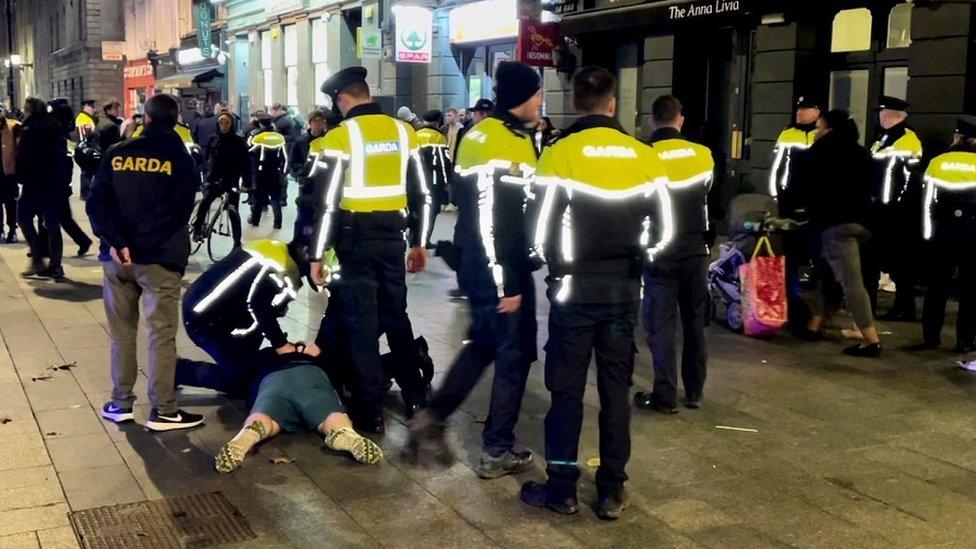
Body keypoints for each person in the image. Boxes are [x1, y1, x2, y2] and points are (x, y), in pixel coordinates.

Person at [518, 66, 674, 521]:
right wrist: (638, 261)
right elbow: (663, 231)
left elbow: (538, 228)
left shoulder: (560, 154)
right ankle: (610, 490)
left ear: (575, 101)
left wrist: (556, 266)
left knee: (565, 391)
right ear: (612, 103)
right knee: (615, 391)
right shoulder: (644, 156)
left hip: (572, 291)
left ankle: (563, 488)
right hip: (623, 293)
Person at [405, 61, 541, 478]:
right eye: (535, 94)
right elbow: (491, 220)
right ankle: (496, 449)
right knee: (513, 354)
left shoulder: (482, 135)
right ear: (520, 97)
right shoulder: (500, 141)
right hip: (499, 266)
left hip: (481, 262)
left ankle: (434, 416)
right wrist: (509, 282)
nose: (539, 101)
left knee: (484, 343)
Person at [305, 66, 431, 433]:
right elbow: (423, 193)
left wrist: (317, 254)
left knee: (362, 326)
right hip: (394, 239)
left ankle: (369, 411)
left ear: (342, 100)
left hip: (354, 242)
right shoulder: (403, 131)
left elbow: (326, 204)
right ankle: (415, 397)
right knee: (396, 318)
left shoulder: (340, 137)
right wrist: (420, 242)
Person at [87, 93, 204, 431]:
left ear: (146, 119)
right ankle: (164, 410)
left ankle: (120, 402)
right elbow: (178, 212)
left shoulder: (117, 153)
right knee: (161, 336)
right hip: (160, 259)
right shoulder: (180, 158)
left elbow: (98, 203)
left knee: (121, 333)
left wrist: (118, 242)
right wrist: (141, 245)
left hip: (116, 259)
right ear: (175, 120)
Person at [633, 95, 714, 414]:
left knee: (661, 324)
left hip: (659, 250)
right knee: (695, 322)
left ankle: (665, 394)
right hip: (696, 249)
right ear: (680, 119)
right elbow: (706, 193)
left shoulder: (643, 155)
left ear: (653, 120)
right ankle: (694, 391)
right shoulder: (703, 155)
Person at [793, 109, 881, 357]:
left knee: (841, 280)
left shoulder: (816, 155)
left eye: (819, 127)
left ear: (830, 129)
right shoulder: (863, 153)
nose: (816, 131)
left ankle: (869, 338)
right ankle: (818, 320)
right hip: (862, 226)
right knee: (832, 274)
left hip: (832, 227)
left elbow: (799, 189)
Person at [213, 345, 382, 473]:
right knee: (330, 416)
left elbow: (240, 375)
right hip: (311, 375)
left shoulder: (267, 354)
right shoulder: (317, 355)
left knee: (266, 419)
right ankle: (344, 433)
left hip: (273, 380)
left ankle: (249, 433)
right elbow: (343, 373)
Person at [178, 239, 306, 394]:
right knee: (239, 380)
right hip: (206, 321)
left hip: (205, 307)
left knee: (249, 366)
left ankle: (245, 365)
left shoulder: (275, 249)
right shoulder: (283, 270)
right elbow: (260, 307)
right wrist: (281, 345)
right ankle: (177, 371)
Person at [917, 117, 976, 357]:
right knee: (970, 291)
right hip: (973, 234)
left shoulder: (938, 162)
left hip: (942, 232)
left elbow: (927, 203)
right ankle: (964, 340)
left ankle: (931, 337)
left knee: (936, 288)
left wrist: (928, 236)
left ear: (960, 138)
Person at [862, 96, 923, 321]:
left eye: (884, 113)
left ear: (893, 116)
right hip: (880, 210)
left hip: (897, 213)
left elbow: (906, 178)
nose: (881, 117)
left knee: (900, 263)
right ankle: (884, 306)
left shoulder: (907, 140)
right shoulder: (884, 138)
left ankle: (905, 307)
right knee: (882, 260)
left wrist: (894, 203)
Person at [17, 97, 68, 279]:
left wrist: (20, 176)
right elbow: (62, 155)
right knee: (52, 223)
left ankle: (38, 256)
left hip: (35, 182)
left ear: (29, 110)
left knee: (23, 217)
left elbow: (23, 156)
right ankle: (55, 265)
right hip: (53, 182)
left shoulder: (29, 128)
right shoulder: (54, 125)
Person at [192, 112, 250, 248]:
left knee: (233, 212)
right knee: (205, 203)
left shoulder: (239, 141)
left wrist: (247, 183)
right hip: (214, 178)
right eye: (221, 123)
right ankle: (197, 228)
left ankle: (237, 242)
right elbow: (207, 159)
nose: (224, 126)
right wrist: (206, 174)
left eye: (227, 123)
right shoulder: (213, 139)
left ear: (232, 125)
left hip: (232, 180)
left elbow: (246, 164)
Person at [247, 113, 288, 229]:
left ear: (260, 124)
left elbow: (249, 149)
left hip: (261, 172)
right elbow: (285, 156)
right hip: (276, 171)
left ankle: (255, 220)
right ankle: (278, 223)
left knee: (259, 198)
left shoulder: (257, 137)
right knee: (275, 198)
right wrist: (284, 172)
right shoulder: (279, 137)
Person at [416, 110, 452, 238]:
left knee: (419, 209)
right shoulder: (439, 137)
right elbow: (444, 162)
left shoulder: (416, 134)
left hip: (417, 179)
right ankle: (425, 239)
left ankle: (415, 237)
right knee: (433, 210)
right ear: (438, 122)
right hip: (434, 180)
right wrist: (448, 180)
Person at [0, 106, 20, 243]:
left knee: (11, 201)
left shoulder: (14, 126)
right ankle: (0, 230)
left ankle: (12, 230)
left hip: (9, 171)